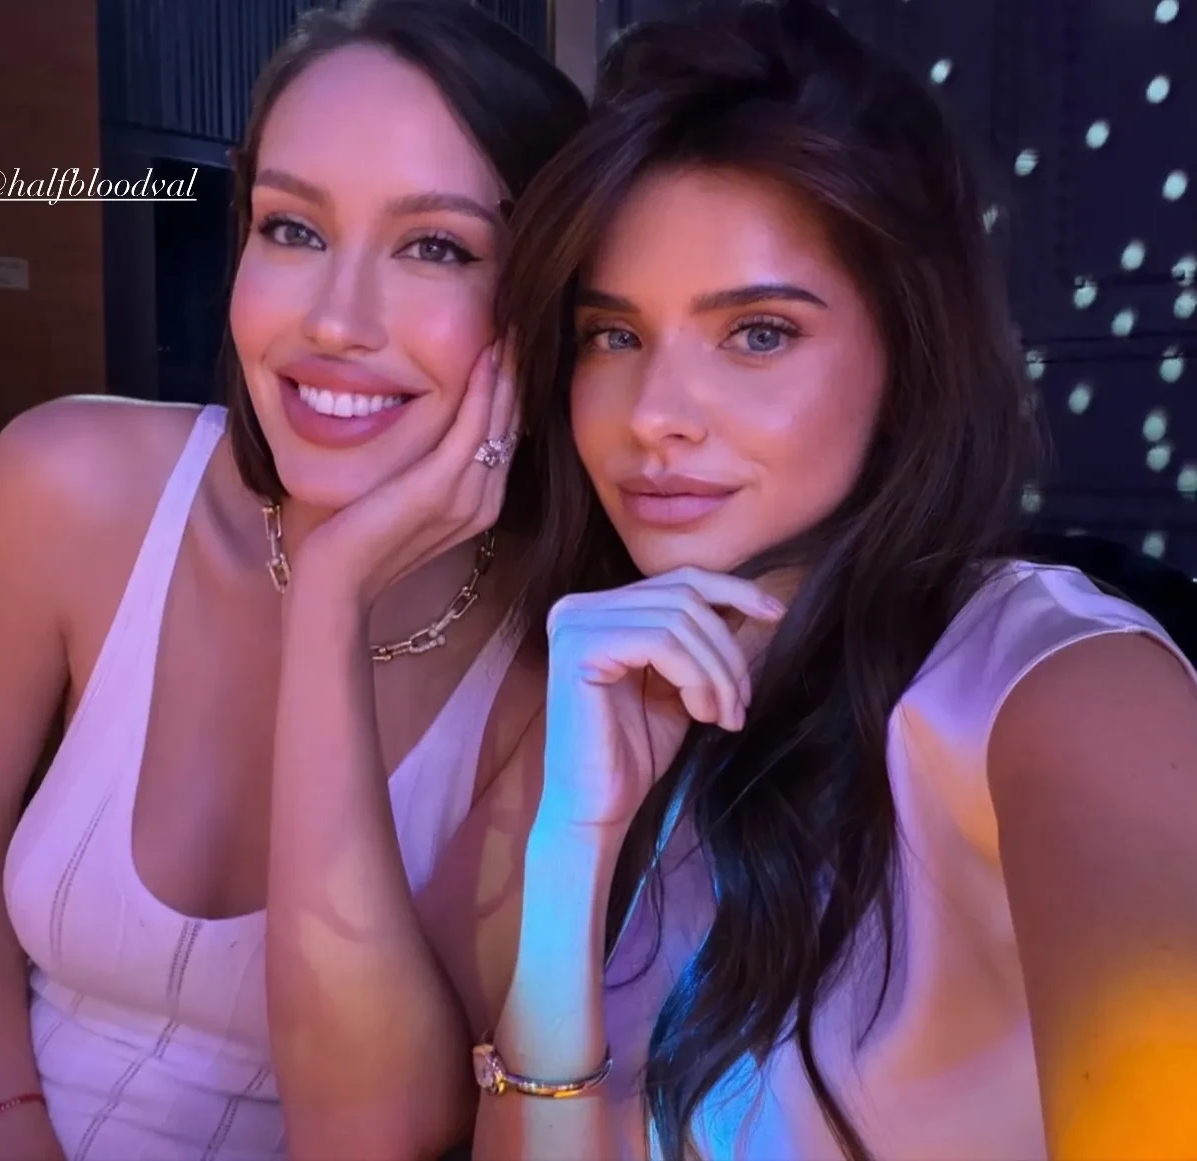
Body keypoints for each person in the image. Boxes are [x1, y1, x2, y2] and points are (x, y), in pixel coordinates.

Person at [472, 2, 1197, 1158]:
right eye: (614, 335)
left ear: (905, 359)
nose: (654, 415)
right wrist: (569, 856)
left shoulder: (1061, 695)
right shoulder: (621, 696)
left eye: (758, 333)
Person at [0, 2, 583, 1159]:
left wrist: (330, 600)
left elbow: (388, 1129)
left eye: (436, 247)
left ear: (547, 296)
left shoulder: (554, 666)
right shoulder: (71, 480)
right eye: (292, 229)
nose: (335, 321)